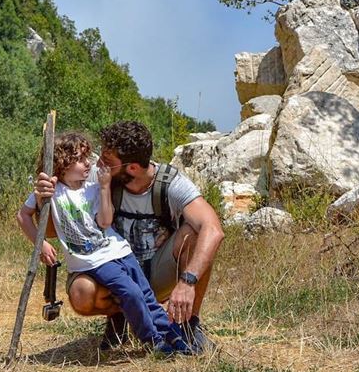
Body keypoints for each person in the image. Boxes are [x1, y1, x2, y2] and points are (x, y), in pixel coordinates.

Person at [35, 121, 224, 352]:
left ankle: (188, 326)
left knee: (195, 233)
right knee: (81, 293)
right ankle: (120, 318)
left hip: (156, 272)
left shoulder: (170, 184)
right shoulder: (96, 177)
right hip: (110, 269)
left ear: (132, 168)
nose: (98, 164)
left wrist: (187, 283)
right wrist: (43, 199)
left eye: (107, 160)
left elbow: (213, 229)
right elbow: (54, 231)